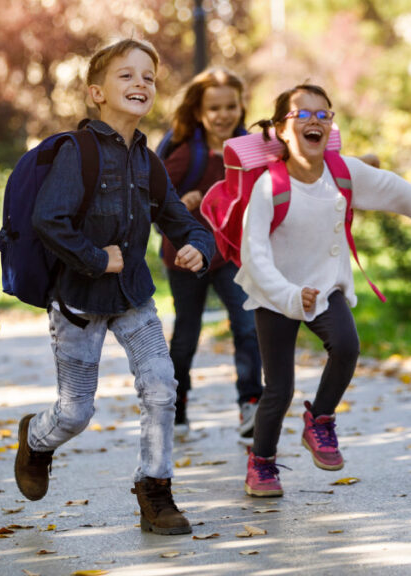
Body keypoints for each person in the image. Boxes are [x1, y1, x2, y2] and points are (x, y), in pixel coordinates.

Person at [12, 38, 214, 536]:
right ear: (96, 92)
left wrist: (199, 246)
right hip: (77, 302)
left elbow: (179, 219)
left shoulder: (148, 161)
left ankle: (155, 491)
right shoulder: (76, 152)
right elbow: (48, 220)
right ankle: (36, 439)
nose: (140, 83)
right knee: (75, 413)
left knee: (162, 386)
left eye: (148, 76)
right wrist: (96, 258)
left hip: (133, 298)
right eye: (126, 75)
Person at [236, 84, 411, 497]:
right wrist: (286, 294)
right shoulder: (269, 187)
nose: (314, 121)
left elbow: (393, 189)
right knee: (278, 389)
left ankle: (320, 419)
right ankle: (262, 463)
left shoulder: (343, 172)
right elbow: (255, 255)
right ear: (282, 130)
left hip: (325, 286)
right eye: (302, 114)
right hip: (276, 294)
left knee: (347, 345)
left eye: (324, 114)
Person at [158, 68, 263, 438]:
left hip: (231, 253)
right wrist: (180, 203)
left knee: (248, 325)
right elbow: (155, 196)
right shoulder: (188, 152)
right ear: (199, 111)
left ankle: (250, 403)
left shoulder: (251, 147)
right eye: (214, 107)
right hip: (186, 254)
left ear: (241, 106)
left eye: (230, 106)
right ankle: (177, 403)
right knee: (187, 332)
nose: (223, 114)